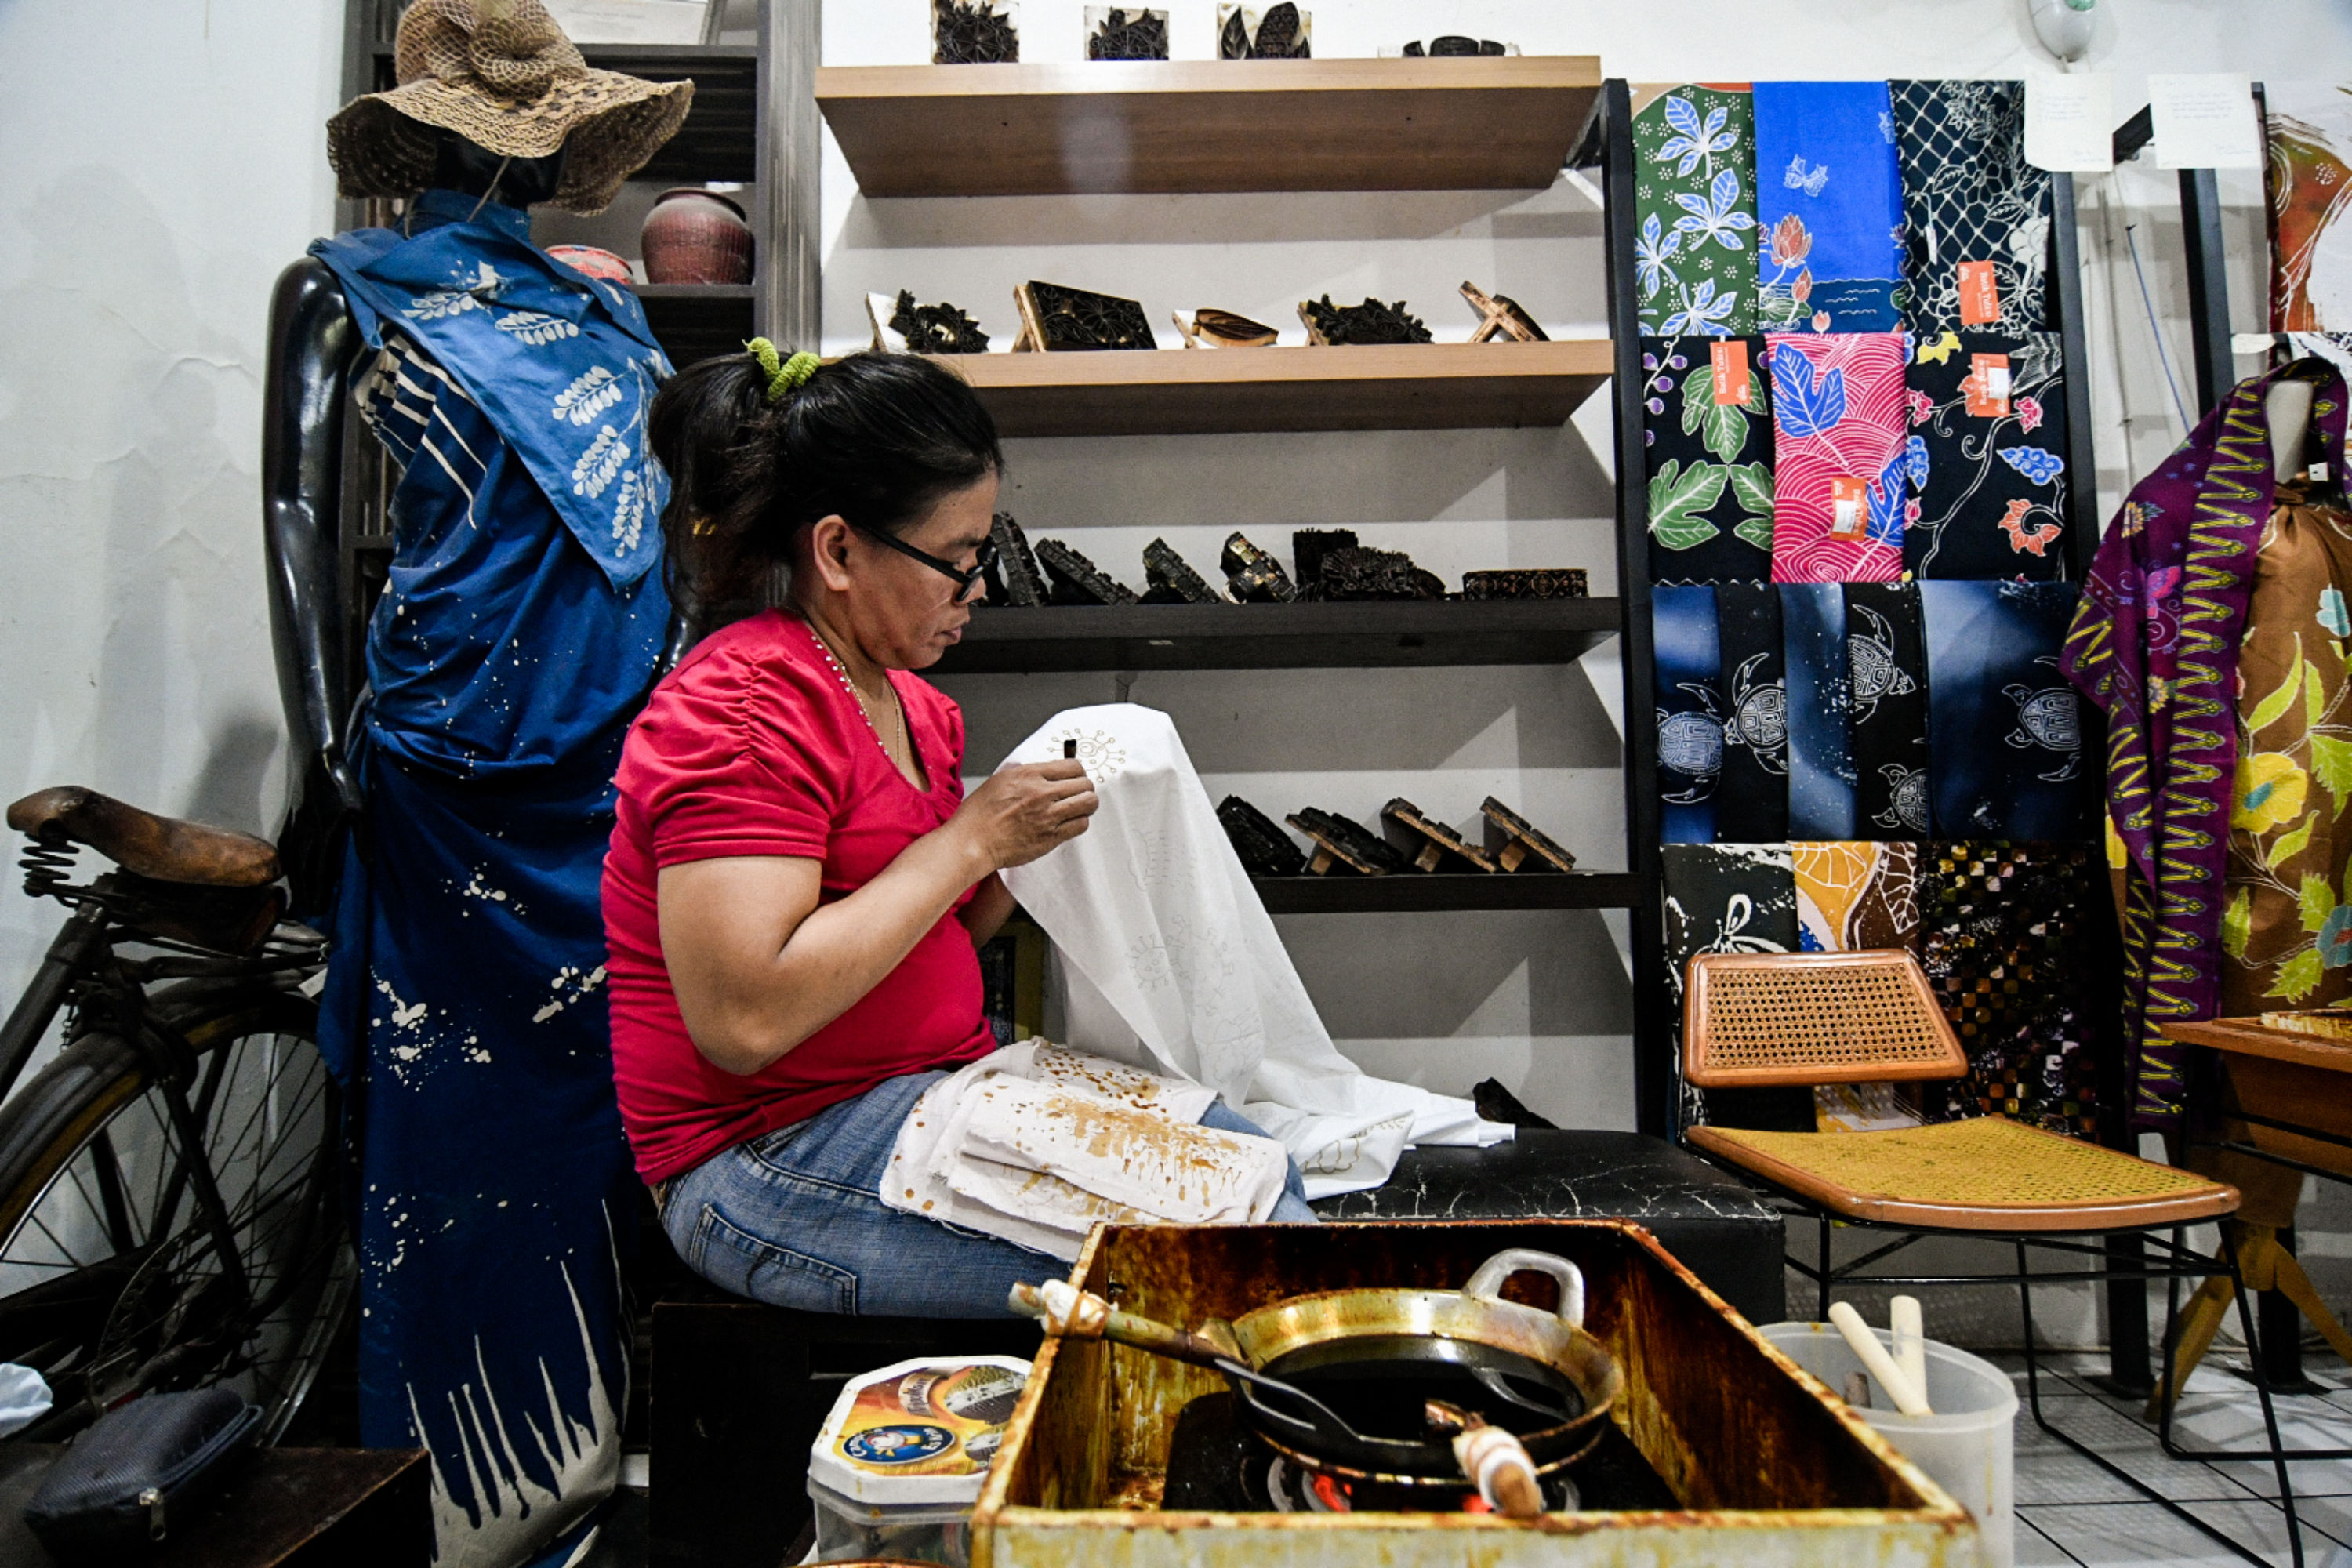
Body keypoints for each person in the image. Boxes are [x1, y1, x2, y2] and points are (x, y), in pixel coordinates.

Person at [603, 343, 1314, 1317]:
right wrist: (970, 841)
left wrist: (1032, 850)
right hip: (769, 1151)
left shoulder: (913, 708)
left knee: (1260, 1161)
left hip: (922, 1089)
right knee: (1237, 1250)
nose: (975, 588)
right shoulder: (745, 707)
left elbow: (922, 935)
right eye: (956, 559)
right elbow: (743, 1021)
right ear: (839, 552)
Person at [274, 3, 690, 1561]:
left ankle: (588, 1463)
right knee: (453, 1128)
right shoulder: (344, 290)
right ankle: (461, 1500)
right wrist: (327, 733)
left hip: (613, 765)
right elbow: (294, 513)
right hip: (455, 767)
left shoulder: (601, 309)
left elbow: (664, 520)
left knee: (601, 1121)